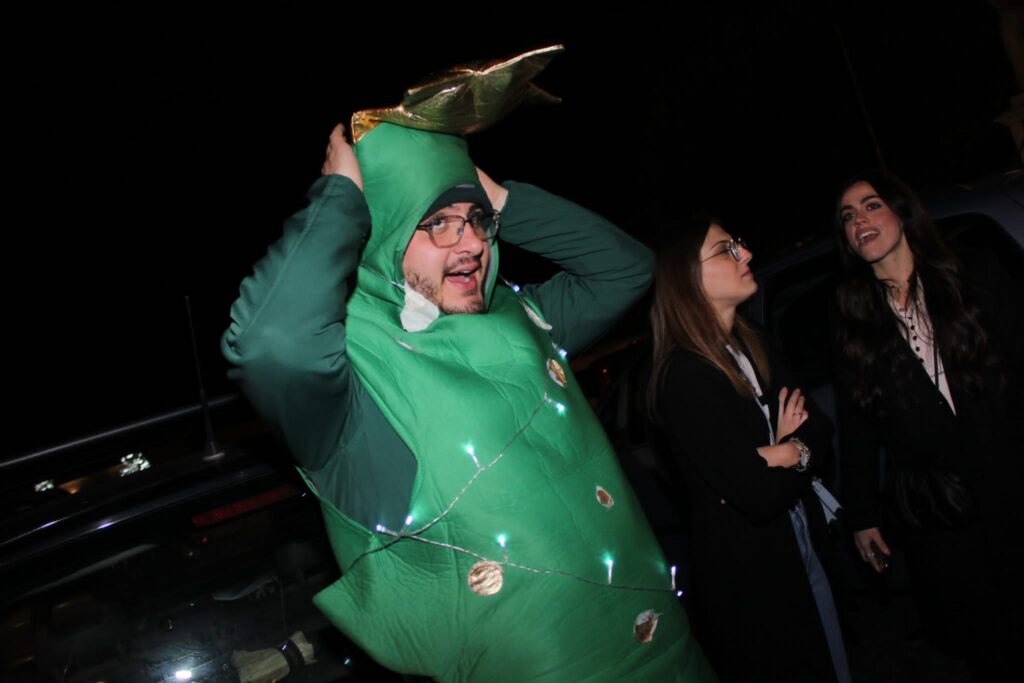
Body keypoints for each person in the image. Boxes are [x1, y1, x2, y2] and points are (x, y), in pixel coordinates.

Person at [220, 56, 714, 681]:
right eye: (439, 224)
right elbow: (267, 343)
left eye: (477, 222)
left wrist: (491, 194)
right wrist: (339, 197)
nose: (475, 243)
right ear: (383, 231)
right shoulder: (355, 393)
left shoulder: (522, 319)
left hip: (675, 654)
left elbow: (625, 269)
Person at [833, 169, 1024, 680]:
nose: (859, 220)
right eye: (848, 216)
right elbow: (856, 426)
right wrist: (861, 514)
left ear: (901, 212)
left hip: (1010, 475)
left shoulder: (970, 273)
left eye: (871, 205)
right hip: (943, 508)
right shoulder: (855, 320)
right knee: (987, 640)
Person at [648, 216, 850, 683]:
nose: (747, 254)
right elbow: (756, 493)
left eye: (738, 243)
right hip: (753, 574)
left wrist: (783, 452)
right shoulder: (684, 377)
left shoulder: (753, 342)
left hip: (802, 536)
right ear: (688, 278)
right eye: (726, 249)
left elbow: (819, 427)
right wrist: (791, 451)